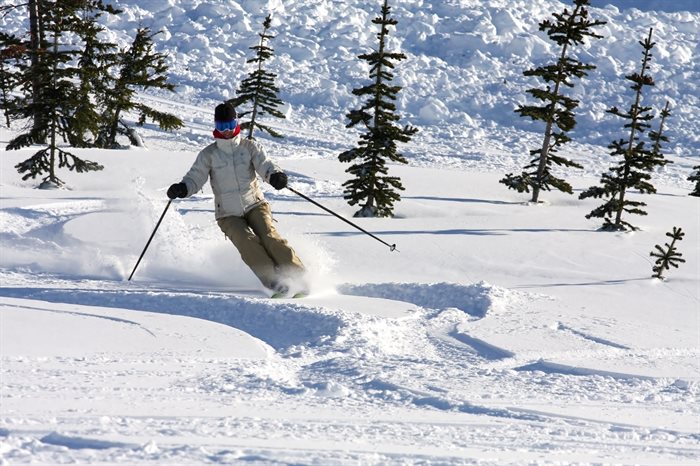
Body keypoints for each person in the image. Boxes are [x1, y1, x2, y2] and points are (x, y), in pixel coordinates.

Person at [167, 102, 307, 297]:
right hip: (227, 213)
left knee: (268, 235)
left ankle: (299, 277)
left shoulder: (249, 147)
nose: (226, 131)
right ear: (216, 126)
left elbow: (265, 165)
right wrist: (182, 188)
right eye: (222, 127)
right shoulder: (209, 154)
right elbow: (195, 178)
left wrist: (275, 175)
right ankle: (276, 283)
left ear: (237, 123)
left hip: (255, 204)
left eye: (230, 125)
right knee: (246, 242)